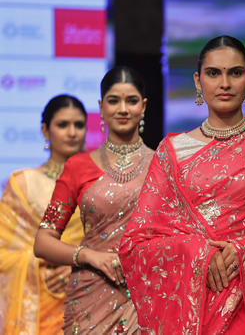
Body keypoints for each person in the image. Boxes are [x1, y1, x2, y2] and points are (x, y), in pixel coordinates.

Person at [119, 35, 245, 334]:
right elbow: (136, 243)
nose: (224, 83)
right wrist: (201, 254)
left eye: (235, 73)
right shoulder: (172, 151)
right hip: (192, 307)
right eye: (213, 73)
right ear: (198, 81)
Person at [34, 66, 152, 334]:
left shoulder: (161, 164)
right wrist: (88, 255)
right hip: (89, 298)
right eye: (113, 100)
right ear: (101, 106)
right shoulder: (78, 166)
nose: (122, 109)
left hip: (145, 295)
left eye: (131, 100)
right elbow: (43, 241)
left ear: (143, 106)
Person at [0, 95, 87, 334]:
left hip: (88, 297)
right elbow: (3, 253)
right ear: (45, 130)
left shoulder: (99, 185)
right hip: (38, 307)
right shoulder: (23, 184)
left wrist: (78, 266)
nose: (72, 133)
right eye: (62, 125)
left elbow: (112, 246)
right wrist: (42, 261)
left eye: (79, 125)